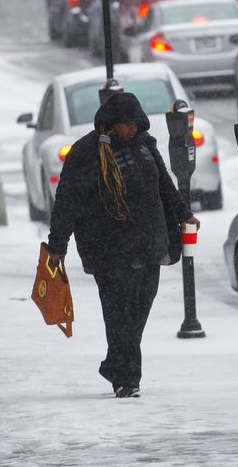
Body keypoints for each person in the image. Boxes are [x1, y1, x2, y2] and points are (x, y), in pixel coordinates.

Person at [46, 90, 199, 398]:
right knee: (120, 313)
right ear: (112, 123)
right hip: (108, 248)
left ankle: (115, 363)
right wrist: (57, 245)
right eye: (128, 125)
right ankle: (128, 379)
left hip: (149, 241)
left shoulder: (145, 144)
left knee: (139, 308)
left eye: (136, 124)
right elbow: (67, 202)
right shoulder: (85, 153)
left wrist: (184, 212)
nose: (132, 130)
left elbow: (164, 183)